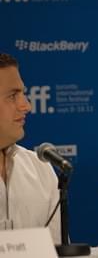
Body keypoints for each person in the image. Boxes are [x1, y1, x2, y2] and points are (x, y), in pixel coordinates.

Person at [0, 53, 61, 243]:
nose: (26, 106)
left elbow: (55, 250)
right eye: (12, 96)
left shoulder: (40, 168)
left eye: (23, 94)